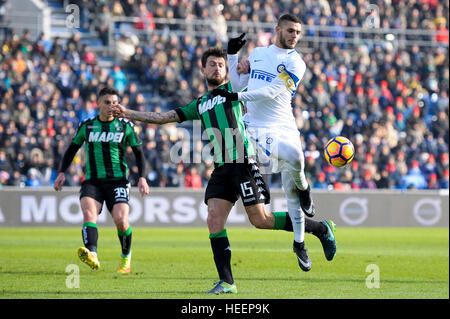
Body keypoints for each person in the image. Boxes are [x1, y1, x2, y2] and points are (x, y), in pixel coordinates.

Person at [111, 48, 335, 294]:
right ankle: (227, 282)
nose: (217, 68)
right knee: (213, 219)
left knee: (260, 220)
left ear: (225, 70)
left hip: (244, 163)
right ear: (203, 70)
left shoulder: (234, 92)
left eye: (220, 64)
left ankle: (320, 228)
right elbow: (164, 116)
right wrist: (129, 113)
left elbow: (266, 91)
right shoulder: (200, 104)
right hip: (221, 169)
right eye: (212, 65)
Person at [212, 14, 330, 272]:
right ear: (278, 29)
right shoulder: (257, 54)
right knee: (294, 161)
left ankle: (299, 240)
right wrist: (232, 57)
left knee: (292, 184)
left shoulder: (297, 63)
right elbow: (239, 83)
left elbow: (271, 92)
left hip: (284, 126)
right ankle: (305, 199)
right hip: (256, 128)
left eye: (298, 32)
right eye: (290, 30)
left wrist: (237, 95)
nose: (294, 36)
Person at [53, 87, 150, 274]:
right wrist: (61, 172)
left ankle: (125, 258)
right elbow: (72, 149)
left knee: (121, 221)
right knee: (89, 215)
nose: (111, 106)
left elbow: (139, 153)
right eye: (107, 102)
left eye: (115, 102)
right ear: (98, 103)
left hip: (118, 181)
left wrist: (142, 178)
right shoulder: (87, 126)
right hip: (93, 181)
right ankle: (93, 255)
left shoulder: (125, 126)